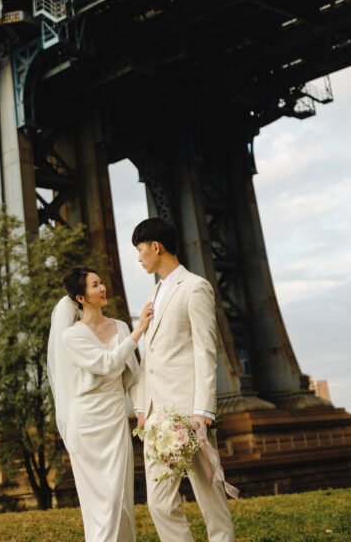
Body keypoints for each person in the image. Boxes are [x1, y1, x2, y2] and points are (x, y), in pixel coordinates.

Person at [132, 216, 235, 542]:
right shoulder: (155, 294)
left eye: (140, 249)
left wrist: (203, 411)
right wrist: (141, 406)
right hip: (156, 417)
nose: (139, 258)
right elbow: (149, 359)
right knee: (159, 502)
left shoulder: (194, 287)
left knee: (210, 497)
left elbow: (206, 351)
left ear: (156, 247)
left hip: (189, 414)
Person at [47, 266, 154, 542]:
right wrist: (139, 330)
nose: (102, 288)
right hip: (87, 425)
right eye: (95, 285)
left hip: (115, 419)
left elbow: (132, 376)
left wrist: (141, 411)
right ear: (81, 297)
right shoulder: (72, 336)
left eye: (101, 282)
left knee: (120, 498)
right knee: (99, 505)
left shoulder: (119, 326)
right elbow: (106, 364)